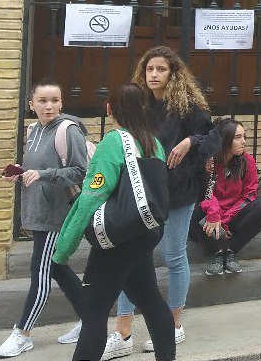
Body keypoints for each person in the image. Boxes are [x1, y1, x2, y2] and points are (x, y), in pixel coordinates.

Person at [104, 46, 215, 359]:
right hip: (143, 190)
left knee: (173, 254)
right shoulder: (138, 103)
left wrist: (190, 140)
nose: (153, 75)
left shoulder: (189, 108)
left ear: (173, 73)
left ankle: (174, 324)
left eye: (161, 69)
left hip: (179, 192)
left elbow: (214, 138)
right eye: (149, 69)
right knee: (133, 255)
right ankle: (122, 331)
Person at [52, 83, 176, 361]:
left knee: (94, 313)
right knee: (151, 300)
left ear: (109, 109)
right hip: (144, 232)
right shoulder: (153, 142)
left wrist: (64, 250)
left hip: (117, 239)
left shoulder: (113, 141)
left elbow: (91, 197)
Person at [0, 80, 88, 358]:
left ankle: (22, 334)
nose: (49, 106)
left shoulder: (68, 130)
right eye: (43, 100)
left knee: (41, 272)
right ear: (31, 104)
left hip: (56, 215)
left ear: (62, 103)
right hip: (37, 211)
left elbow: (80, 172)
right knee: (57, 268)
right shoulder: (34, 130)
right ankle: (90, 319)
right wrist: (22, 172)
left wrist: (44, 174)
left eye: (55, 100)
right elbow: (37, 168)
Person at [194, 120, 261, 275]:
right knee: (192, 212)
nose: (243, 141)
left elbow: (249, 194)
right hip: (209, 217)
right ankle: (215, 253)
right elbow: (204, 193)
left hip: (232, 217)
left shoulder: (247, 161)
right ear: (225, 140)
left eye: (244, 137)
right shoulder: (209, 161)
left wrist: (225, 221)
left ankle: (230, 251)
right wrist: (214, 215)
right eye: (238, 137)